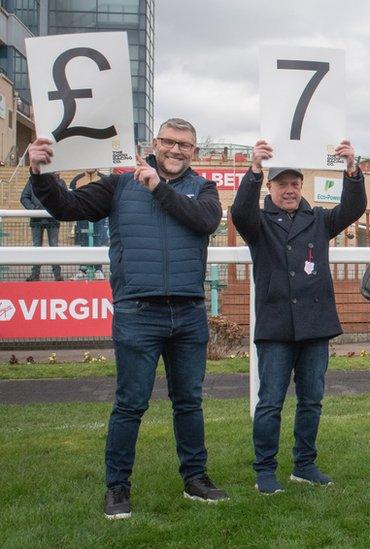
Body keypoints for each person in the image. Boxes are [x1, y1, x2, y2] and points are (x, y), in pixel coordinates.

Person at [26, 118, 227, 519]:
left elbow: (204, 222)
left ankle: (195, 478)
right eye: (169, 142)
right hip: (138, 312)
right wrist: (41, 172)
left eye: (184, 145)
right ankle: (117, 487)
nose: (175, 150)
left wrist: (158, 187)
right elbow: (67, 207)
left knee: (189, 402)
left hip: (188, 312)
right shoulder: (120, 184)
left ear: (195, 152)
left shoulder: (203, 189)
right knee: (130, 404)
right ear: (155, 142)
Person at [230, 139, 366, 494]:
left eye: (294, 184)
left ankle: (304, 465)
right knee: (271, 401)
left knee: (311, 400)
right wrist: (254, 170)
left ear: (300, 186)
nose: (289, 191)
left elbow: (353, 208)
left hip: (315, 325)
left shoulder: (318, 219)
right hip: (276, 327)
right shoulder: (258, 222)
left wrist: (351, 168)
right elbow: (239, 212)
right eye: (282, 184)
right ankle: (265, 469)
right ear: (271, 187)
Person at [21, 175, 65, 281]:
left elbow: (64, 198)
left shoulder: (60, 182)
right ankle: (35, 274)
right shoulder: (32, 181)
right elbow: (24, 197)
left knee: (54, 246)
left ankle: (57, 274)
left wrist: (55, 209)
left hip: (53, 219)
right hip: (36, 220)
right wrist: (34, 209)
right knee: (37, 246)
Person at [69, 169, 109, 279]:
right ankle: (83, 269)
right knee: (83, 242)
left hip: (99, 217)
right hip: (82, 218)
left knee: (97, 242)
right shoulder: (76, 180)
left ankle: (98, 269)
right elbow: (71, 197)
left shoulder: (104, 179)